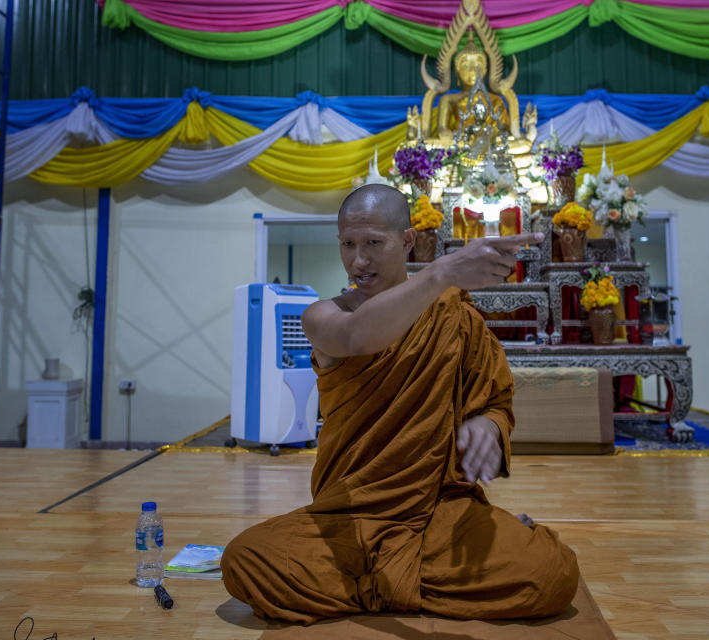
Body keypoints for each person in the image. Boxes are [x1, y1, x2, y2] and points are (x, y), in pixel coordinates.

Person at [221, 184, 580, 624]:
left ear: (408, 240)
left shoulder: (453, 315)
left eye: (373, 243)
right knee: (245, 560)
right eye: (348, 245)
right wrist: (440, 272)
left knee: (554, 572)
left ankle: (372, 584)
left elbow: (495, 401)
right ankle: (403, 582)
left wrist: (486, 426)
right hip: (350, 516)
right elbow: (360, 336)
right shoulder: (323, 316)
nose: (359, 260)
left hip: (439, 509)